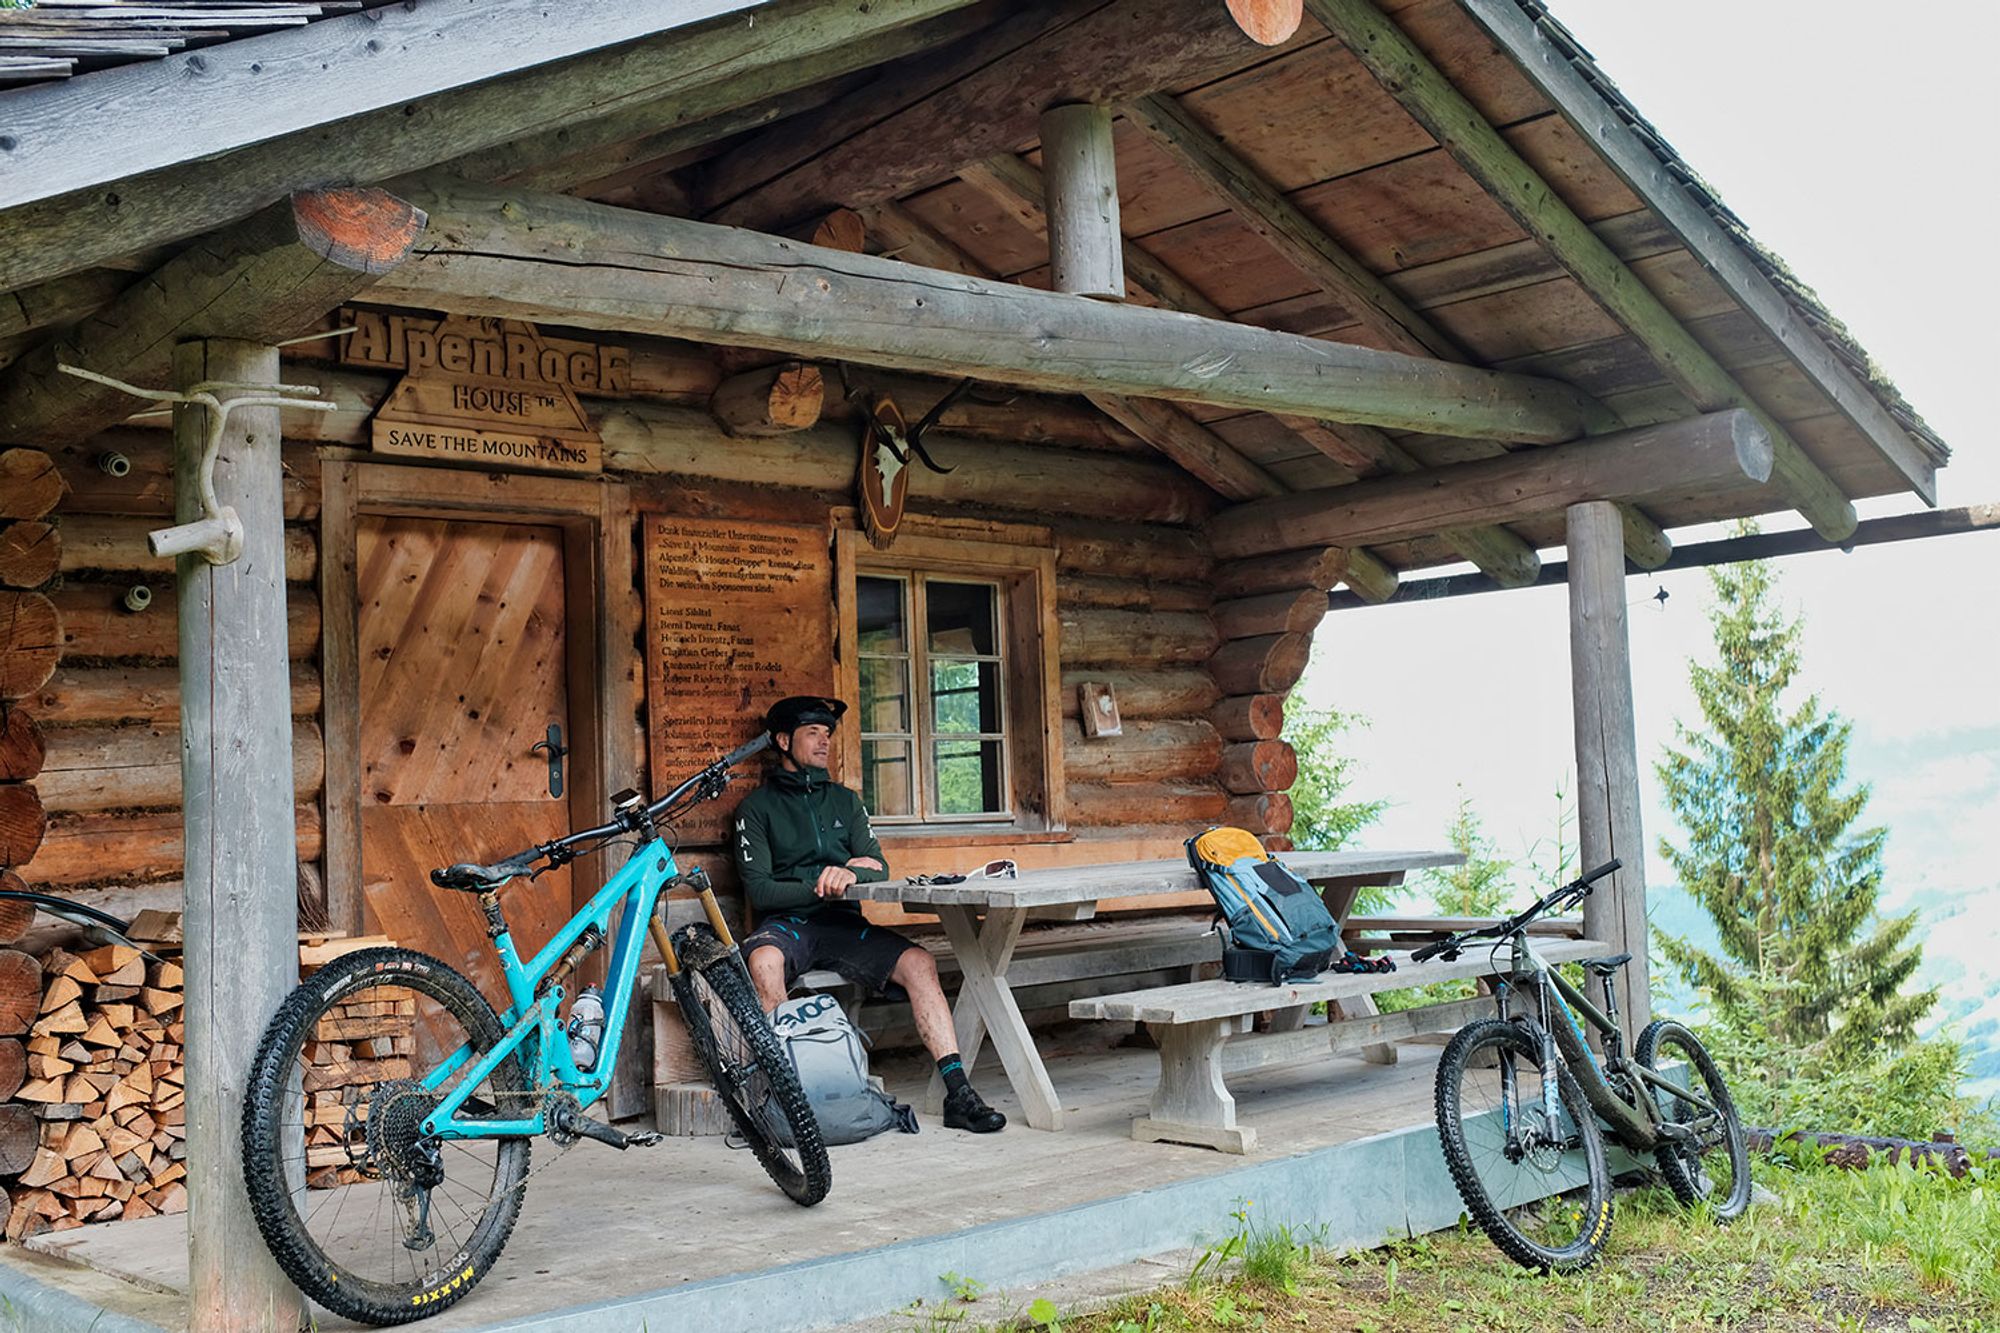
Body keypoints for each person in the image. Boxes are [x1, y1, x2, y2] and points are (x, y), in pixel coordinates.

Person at [735, 695, 1007, 1134]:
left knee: (920, 962)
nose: (824, 743)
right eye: (812, 734)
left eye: (827, 734)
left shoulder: (844, 801)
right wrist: (817, 883)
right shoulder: (757, 809)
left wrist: (848, 871)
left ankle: (959, 1093)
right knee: (763, 962)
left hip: (843, 924)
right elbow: (760, 888)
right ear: (783, 741)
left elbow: (877, 864)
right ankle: (788, 1096)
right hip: (789, 925)